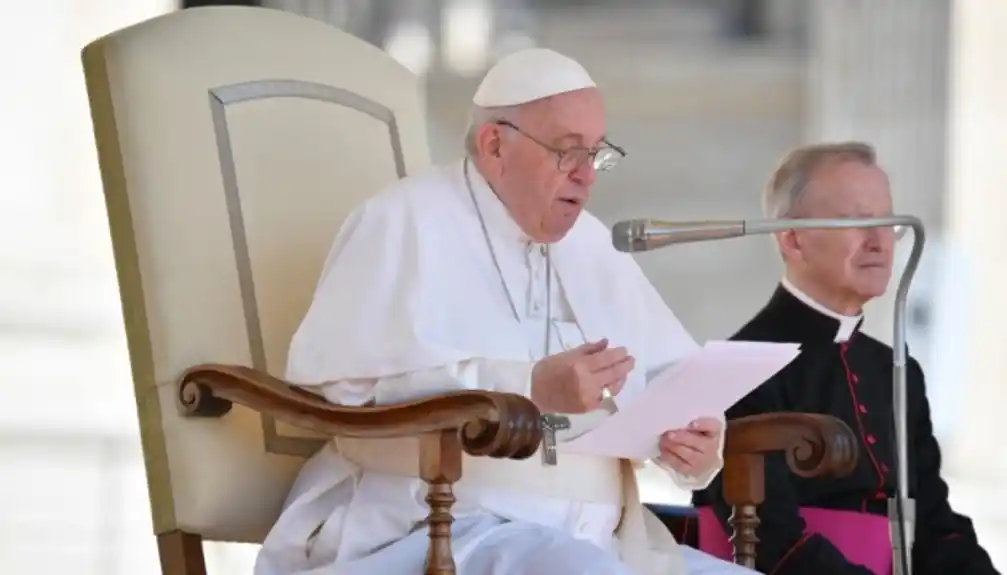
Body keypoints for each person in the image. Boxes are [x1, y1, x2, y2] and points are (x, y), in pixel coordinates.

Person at [254, 48, 754, 575]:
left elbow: (668, 379)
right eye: (567, 152)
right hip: (436, 529)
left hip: (603, 542)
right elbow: (347, 389)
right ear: (495, 145)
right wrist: (527, 387)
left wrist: (693, 447)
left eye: (596, 153)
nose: (587, 176)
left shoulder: (593, 245)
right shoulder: (404, 221)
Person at [692, 142, 999, 575]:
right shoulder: (734, 368)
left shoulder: (896, 370)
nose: (880, 241)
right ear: (793, 239)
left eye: (887, 222)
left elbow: (932, 519)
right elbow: (771, 540)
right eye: (856, 222)